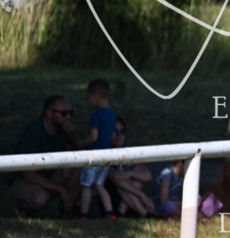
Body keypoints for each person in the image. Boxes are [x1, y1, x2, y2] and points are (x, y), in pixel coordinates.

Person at [8, 94, 81, 217]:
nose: (68, 117)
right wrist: (61, 189)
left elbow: (83, 154)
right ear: (49, 113)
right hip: (24, 181)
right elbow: (29, 175)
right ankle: (24, 210)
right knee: (40, 198)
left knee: (81, 165)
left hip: (50, 176)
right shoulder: (33, 132)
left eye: (70, 113)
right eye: (64, 113)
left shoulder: (66, 129)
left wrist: (74, 136)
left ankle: (67, 208)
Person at [74, 79, 117, 219]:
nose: (89, 101)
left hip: (94, 154)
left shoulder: (96, 115)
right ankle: (110, 214)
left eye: (89, 98)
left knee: (86, 185)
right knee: (99, 185)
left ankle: (83, 214)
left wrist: (81, 143)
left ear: (96, 97)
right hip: (108, 154)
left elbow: (93, 137)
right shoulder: (112, 115)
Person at [107, 117, 156, 218]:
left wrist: (130, 173)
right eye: (114, 131)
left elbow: (148, 175)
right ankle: (146, 214)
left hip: (126, 200)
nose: (119, 135)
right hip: (108, 200)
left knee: (136, 175)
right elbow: (116, 177)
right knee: (121, 183)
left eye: (122, 131)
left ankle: (120, 214)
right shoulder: (103, 153)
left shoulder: (126, 154)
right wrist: (141, 195)